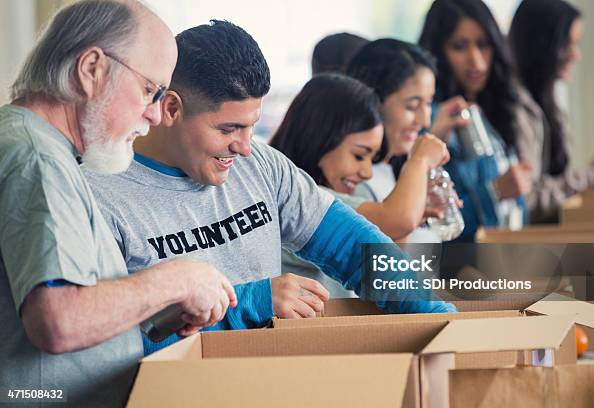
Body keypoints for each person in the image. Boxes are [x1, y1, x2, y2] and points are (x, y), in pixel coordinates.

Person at [85, 20, 457, 352]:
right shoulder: (103, 196)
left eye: (250, 125)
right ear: (170, 108)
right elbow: (114, 344)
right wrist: (254, 302)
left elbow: (355, 248)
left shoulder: (260, 165)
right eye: (228, 129)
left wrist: (442, 317)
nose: (244, 147)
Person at [0, 1, 237, 407]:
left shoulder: (42, 149)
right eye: (149, 90)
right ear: (92, 68)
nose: (156, 114)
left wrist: (165, 306)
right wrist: (177, 279)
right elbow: (58, 321)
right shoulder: (37, 158)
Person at [270, 73, 449, 297]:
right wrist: (419, 160)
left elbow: (389, 255)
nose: (367, 172)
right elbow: (397, 220)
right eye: (358, 155)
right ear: (319, 138)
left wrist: (412, 217)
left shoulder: (341, 194)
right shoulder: (302, 199)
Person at [418, 0, 534, 241]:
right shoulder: (431, 123)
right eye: (460, 46)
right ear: (438, 52)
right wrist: (495, 192)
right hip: (461, 273)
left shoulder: (494, 110)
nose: (476, 60)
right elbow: (432, 230)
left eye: (483, 45)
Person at [346, 39, 462, 243]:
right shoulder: (356, 182)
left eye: (428, 103)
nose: (424, 120)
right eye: (412, 106)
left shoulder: (393, 172)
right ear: (375, 102)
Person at [509, 0, 594, 223]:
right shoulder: (517, 109)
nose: (576, 55)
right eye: (568, 44)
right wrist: (593, 172)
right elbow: (530, 201)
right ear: (542, 44)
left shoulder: (544, 103)